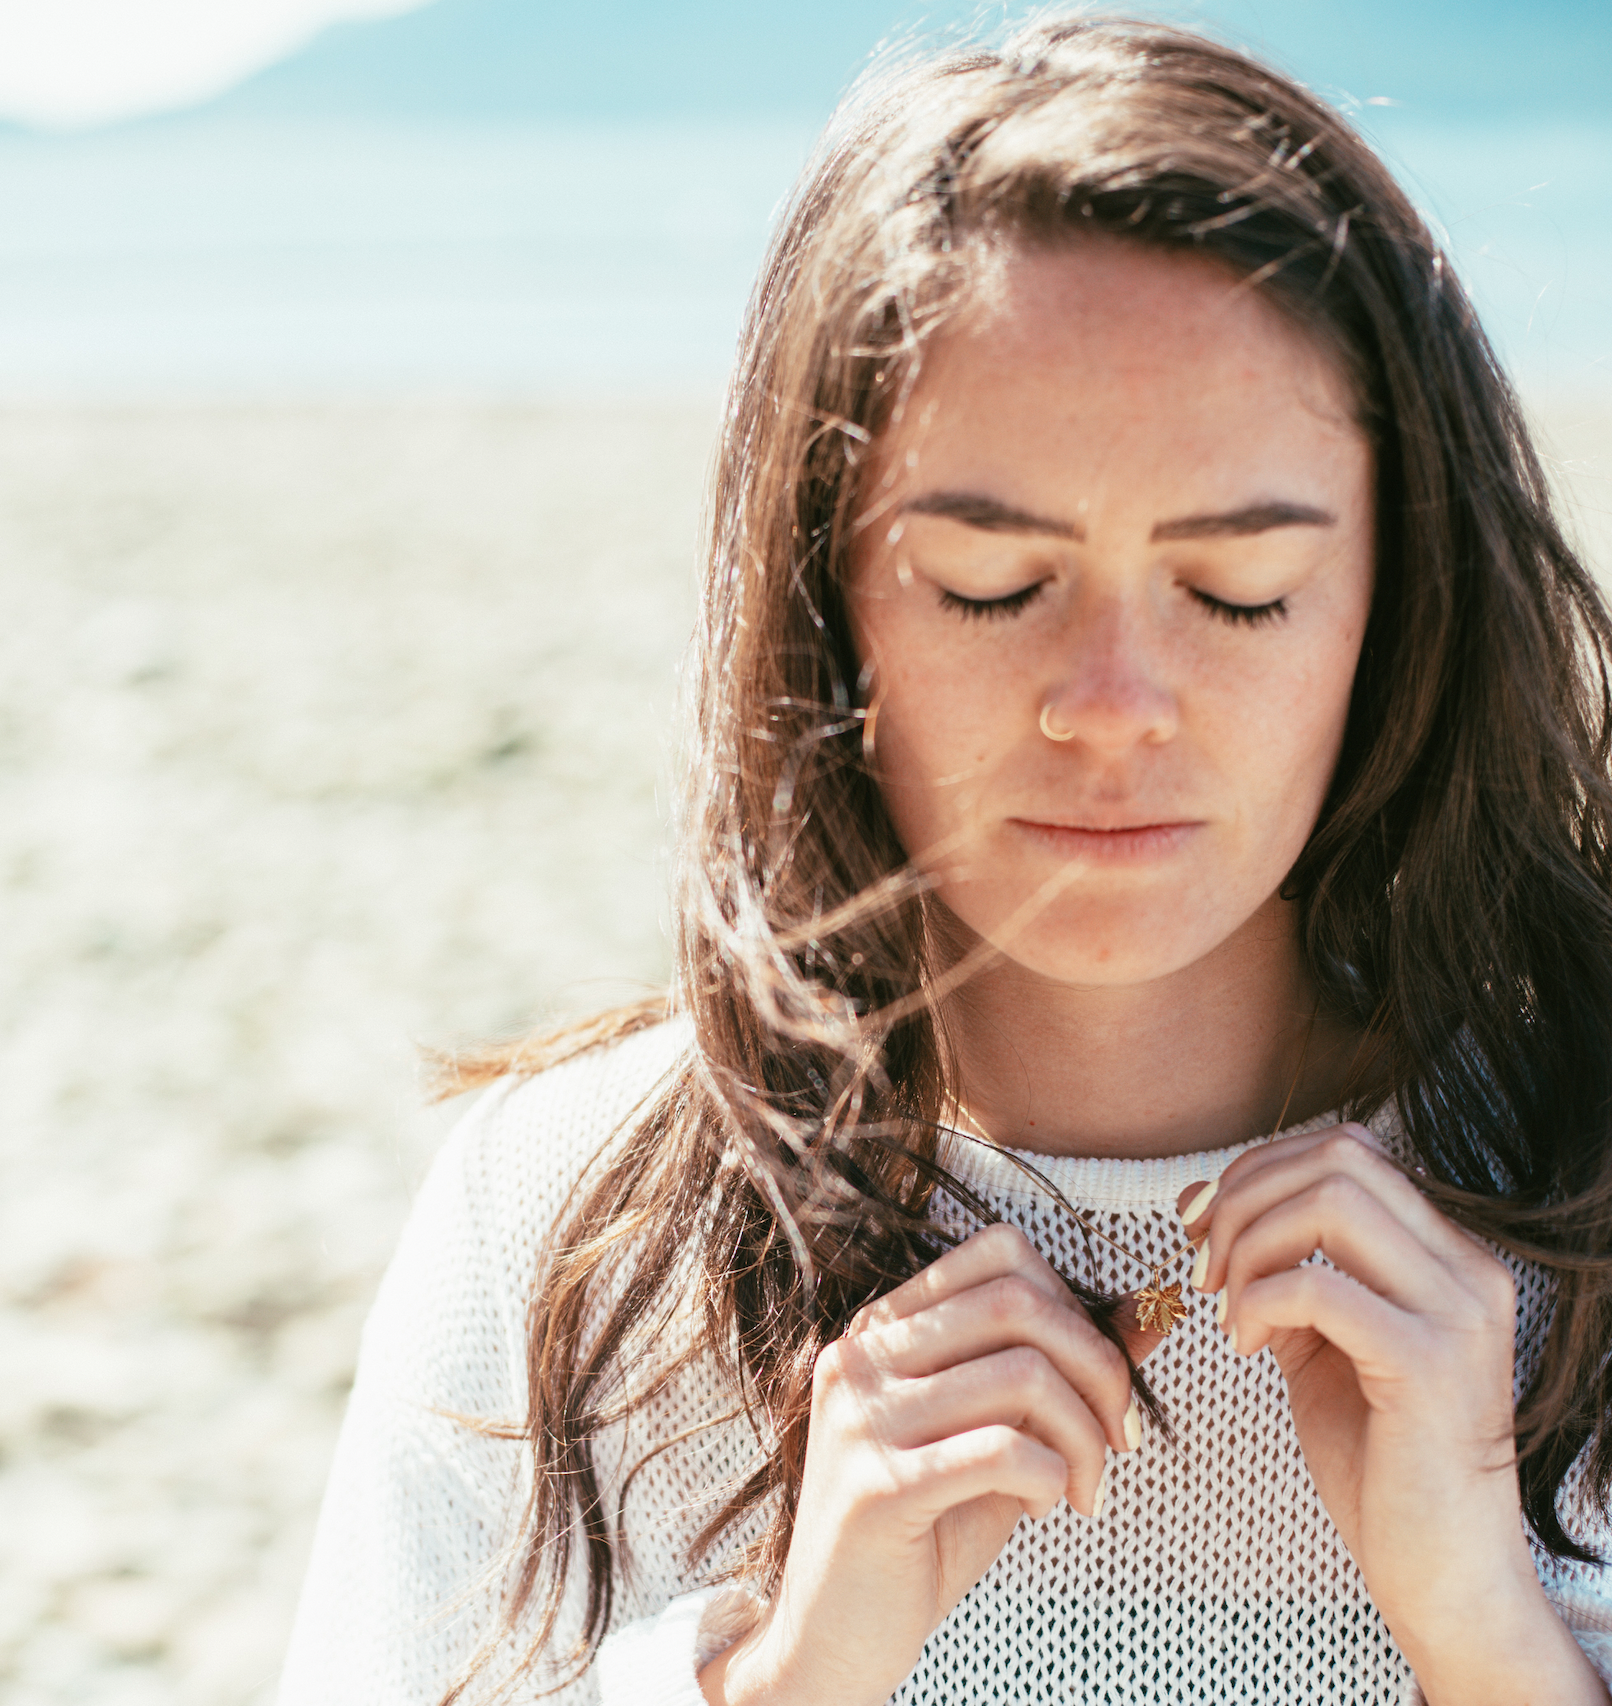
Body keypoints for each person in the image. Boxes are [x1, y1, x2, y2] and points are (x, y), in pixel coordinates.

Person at [277, 16, 1612, 1705]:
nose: (1116, 707)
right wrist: (786, 1671)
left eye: (1240, 592)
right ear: (824, 601)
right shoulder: (569, 1238)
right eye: (990, 582)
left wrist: (1493, 1631)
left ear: (1394, 602)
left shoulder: (1582, 1194)